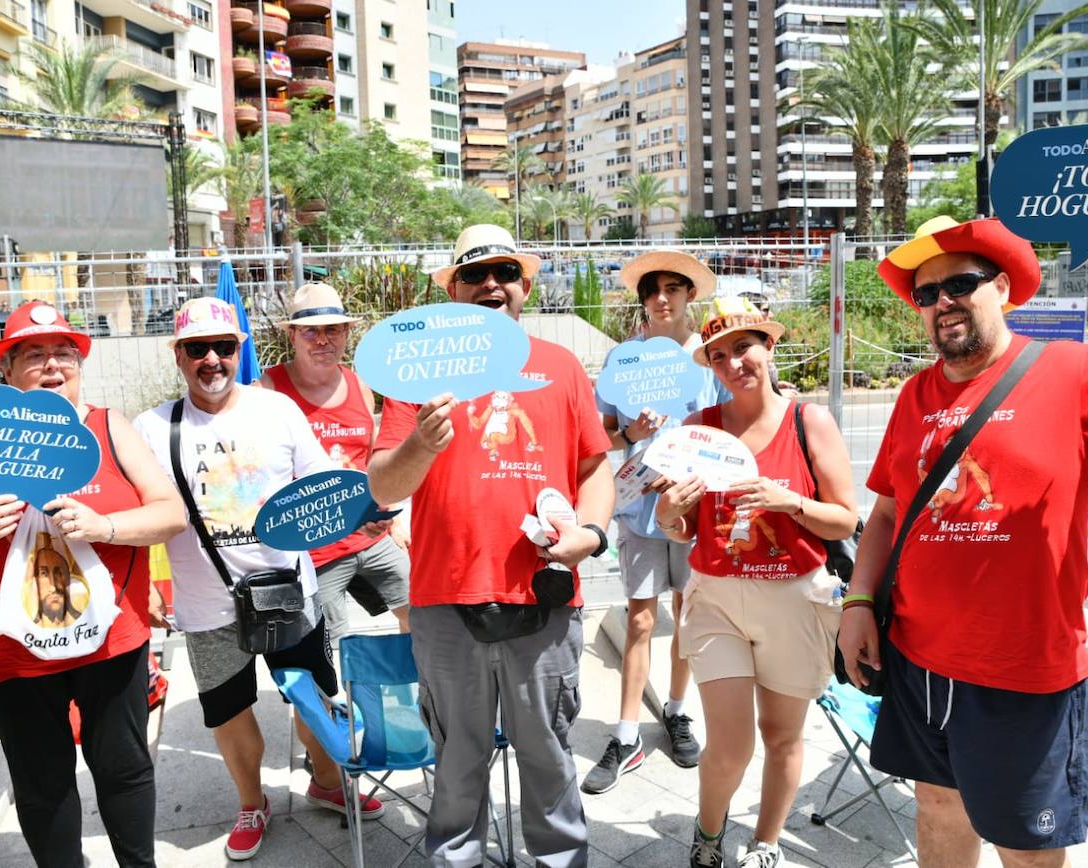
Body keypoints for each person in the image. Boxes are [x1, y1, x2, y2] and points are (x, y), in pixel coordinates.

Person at [838, 216, 1088, 868]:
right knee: (937, 810)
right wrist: (858, 604)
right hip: (916, 659)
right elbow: (886, 514)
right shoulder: (915, 393)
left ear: (1002, 287)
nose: (942, 303)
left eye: (960, 283)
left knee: (1026, 850)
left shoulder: (1076, 372)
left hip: (1023, 676)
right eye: (925, 293)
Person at [0, 300, 188, 868]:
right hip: (12, 651)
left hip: (110, 639)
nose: (54, 366)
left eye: (65, 354)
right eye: (35, 355)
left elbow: (170, 513)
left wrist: (105, 525)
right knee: (42, 782)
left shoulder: (108, 426)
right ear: (6, 371)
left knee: (123, 768)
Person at [368, 223, 614, 867]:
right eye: (474, 274)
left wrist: (589, 532)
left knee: (549, 757)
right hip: (446, 601)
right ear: (452, 289)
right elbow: (383, 482)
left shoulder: (559, 366)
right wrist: (420, 442)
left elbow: (594, 468)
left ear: (525, 287)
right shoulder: (416, 371)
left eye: (504, 272)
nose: (490, 285)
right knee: (456, 760)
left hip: (547, 597)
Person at [133, 297, 383, 863]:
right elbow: (141, 508)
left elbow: (321, 483)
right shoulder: (152, 427)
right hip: (206, 603)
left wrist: (367, 502)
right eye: (198, 349)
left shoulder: (277, 411)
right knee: (227, 711)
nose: (212, 360)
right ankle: (253, 802)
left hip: (290, 591)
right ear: (179, 355)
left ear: (239, 350)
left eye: (223, 347)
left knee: (315, 698)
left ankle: (325, 783)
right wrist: (144, 581)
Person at [653, 297, 859, 868]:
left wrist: (790, 501)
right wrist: (670, 511)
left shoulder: (807, 420)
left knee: (782, 734)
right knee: (731, 744)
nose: (732, 363)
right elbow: (680, 529)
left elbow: (846, 516)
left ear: (768, 347)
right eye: (718, 356)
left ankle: (766, 844)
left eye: (742, 347)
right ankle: (709, 836)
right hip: (716, 597)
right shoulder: (700, 429)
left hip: (796, 596)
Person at [581, 250, 722, 796]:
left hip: (695, 510)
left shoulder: (712, 358)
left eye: (673, 288)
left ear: (690, 295)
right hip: (639, 511)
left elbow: (732, 427)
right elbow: (602, 438)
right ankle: (625, 734)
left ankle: (678, 712)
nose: (661, 299)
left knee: (690, 618)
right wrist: (632, 436)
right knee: (640, 621)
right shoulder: (623, 359)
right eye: (651, 291)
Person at [261, 283, 411, 647]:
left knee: (422, 609)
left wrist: (393, 518)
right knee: (326, 649)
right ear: (293, 336)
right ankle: (327, 705)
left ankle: (421, 695)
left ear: (346, 333)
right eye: (310, 331)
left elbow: (375, 460)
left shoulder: (358, 385)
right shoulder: (268, 390)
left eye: (333, 329)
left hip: (369, 534)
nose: (322, 340)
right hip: (313, 547)